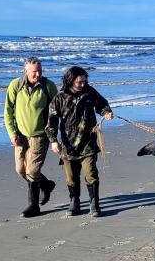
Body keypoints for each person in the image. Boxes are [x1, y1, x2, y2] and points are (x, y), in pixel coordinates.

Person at [46, 66, 113, 217]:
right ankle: (74, 202)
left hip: (88, 142)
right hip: (68, 145)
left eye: (85, 81)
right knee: (71, 177)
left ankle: (94, 203)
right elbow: (51, 121)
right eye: (79, 82)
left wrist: (107, 112)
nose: (83, 84)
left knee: (91, 173)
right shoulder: (59, 98)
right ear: (70, 81)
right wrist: (53, 141)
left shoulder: (90, 92)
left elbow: (102, 104)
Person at [4, 56, 59, 218]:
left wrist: (53, 136)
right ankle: (46, 185)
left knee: (32, 171)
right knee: (20, 170)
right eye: (34, 72)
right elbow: (7, 112)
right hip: (20, 136)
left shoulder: (48, 86)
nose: (37, 75)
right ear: (25, 71)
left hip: (40, 136)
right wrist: (13, 134)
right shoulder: (15, 85)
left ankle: (33, 206)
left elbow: (55, 112)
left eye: (40, 71)